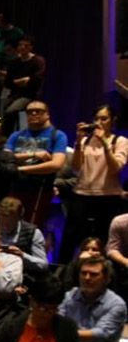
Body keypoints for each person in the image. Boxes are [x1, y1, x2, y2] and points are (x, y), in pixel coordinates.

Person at [63, 105, 128, 263]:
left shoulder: (120, 141)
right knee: (71, 236)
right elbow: (76, 167)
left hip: (108, 196)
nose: (99, 122)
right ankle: (64, 271)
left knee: (104, 237)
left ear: (113, 121)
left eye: (104, 119)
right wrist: (78, 142)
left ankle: (105, 273)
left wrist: (105, 144)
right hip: (82, 193)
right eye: (96, 118)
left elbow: (116, 168)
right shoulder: (85, 141)